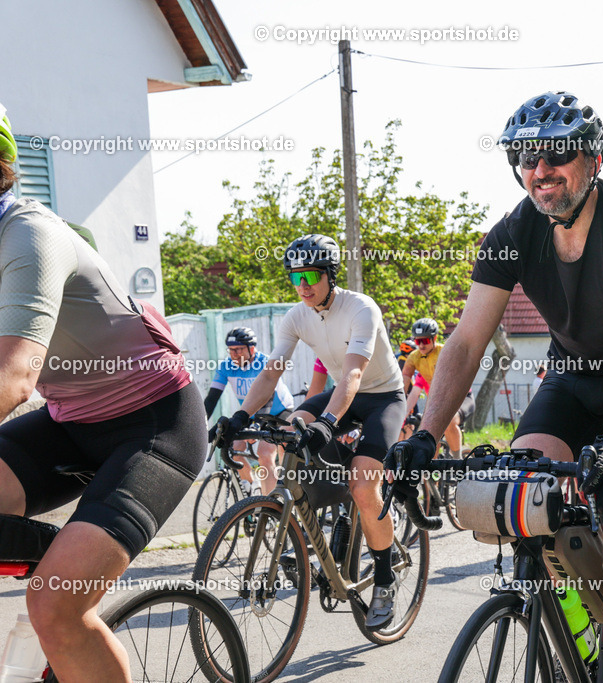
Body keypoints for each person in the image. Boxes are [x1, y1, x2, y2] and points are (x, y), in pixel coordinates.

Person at [385, 91, 603, 683]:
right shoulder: (512, 231)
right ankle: (572, 620)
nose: (539, 170)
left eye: (555, 155)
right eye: (527, 158)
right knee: (525, 491)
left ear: (592, 160)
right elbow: (467, 341)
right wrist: (424, 436)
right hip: (576, 376)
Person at [0, 103, 206, 680]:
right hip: (70, 422)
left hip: (155, 424)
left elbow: (13, 380)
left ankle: (63, 579)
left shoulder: (29, 236)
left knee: (56, 608)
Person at [213, 233, 405, 630]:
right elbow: (271, 372)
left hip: (381, 397)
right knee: (289, 431)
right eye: (295, 277)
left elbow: (353, 374)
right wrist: (239, 418)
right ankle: (312, 533)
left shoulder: (361, 309)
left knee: (363, 484)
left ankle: (385, 579)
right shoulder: (297, 315)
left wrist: (329, 424)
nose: (302, 285)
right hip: (341, 394)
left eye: (311, 276)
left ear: (330, 275)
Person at [204, 326, 294, 493]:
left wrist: (257, 426)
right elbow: (211, 399)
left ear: (252, 348)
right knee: (234, 449)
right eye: (231, 350)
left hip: (278, 411)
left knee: (265, 453)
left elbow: (267, 397)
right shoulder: (226, 366)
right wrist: (200, 424)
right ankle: (254, 489)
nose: (234, 354)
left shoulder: (265, 362)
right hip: (250, 412)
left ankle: (271, 506)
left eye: (239, 349)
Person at [401, 318, 470, 455]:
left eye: (425, 341)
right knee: (427, 432)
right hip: (437, 402)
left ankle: (457, 463)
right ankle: (430, 468)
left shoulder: (445, 352)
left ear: (435, 338)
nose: (421, 345)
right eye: (417, 341)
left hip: (460, 397)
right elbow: (409, 388)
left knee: (448, 421)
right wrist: (401, 410)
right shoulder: (414, 358)